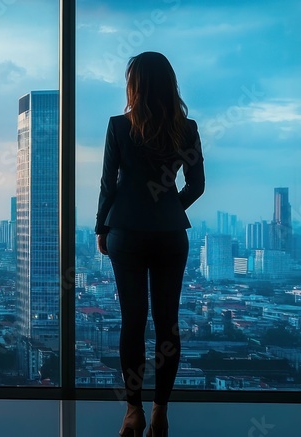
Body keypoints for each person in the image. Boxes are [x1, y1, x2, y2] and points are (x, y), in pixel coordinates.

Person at [94, 51, 205, 437]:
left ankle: (133, 411)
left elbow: (109, 185)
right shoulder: (186, 128)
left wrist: (100, 229)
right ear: (169, 84)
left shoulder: (118, 126)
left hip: (126, 231)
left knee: (133, 321)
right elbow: (197, 185)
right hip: (171, 235)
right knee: (167, 323)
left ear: (134, 85)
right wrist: (170, 208)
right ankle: (161, 409)